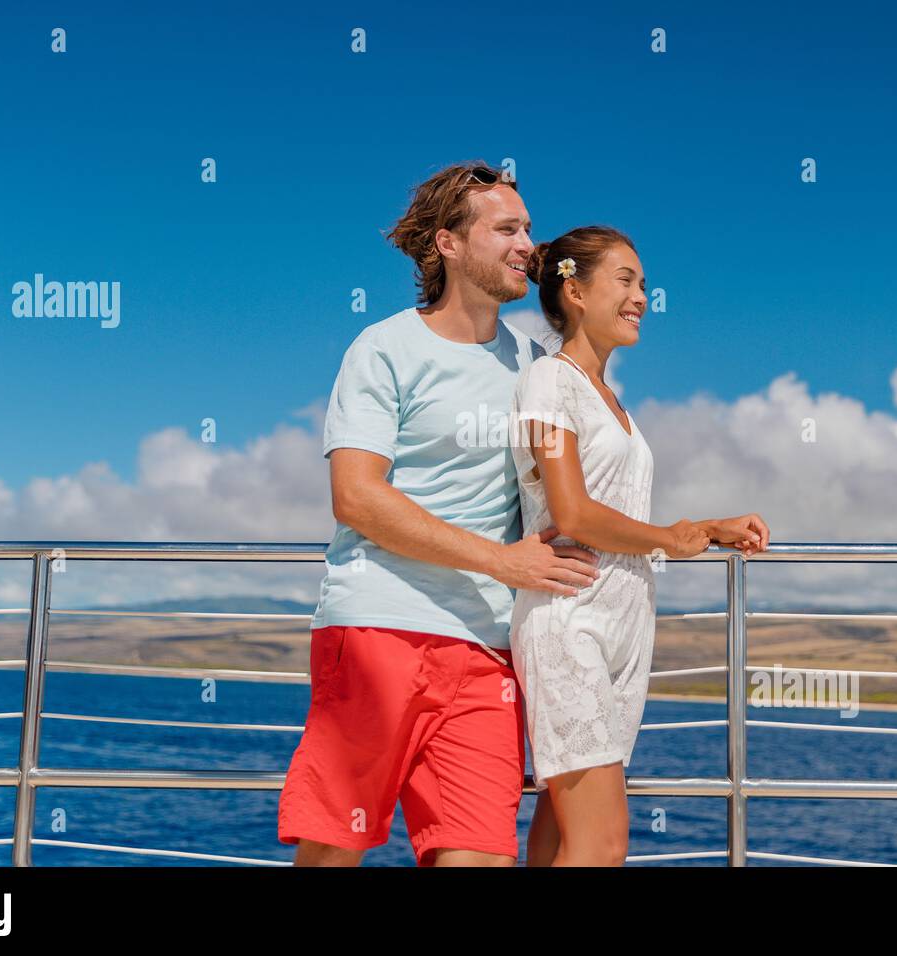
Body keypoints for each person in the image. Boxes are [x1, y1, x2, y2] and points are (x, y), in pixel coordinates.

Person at [276, 162, 601, 867]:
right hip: (377, 629)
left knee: (478, 857)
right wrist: (501, 561)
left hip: (488, 651)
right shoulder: (385, 349)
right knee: (335, 848)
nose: (529, 246)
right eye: (508, 229)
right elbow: (357, 496)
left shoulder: (535, 364)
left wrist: (689, 532)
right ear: (448, 243)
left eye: (531, 229)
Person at [508, 226, 771, 866]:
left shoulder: (613, 400)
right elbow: (570, 510)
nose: (641, 297)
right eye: (624, 280)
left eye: (644, 285)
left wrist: (705, 529)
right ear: (573, 290)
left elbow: (615, 506)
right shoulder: (549, 382)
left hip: (623, 628)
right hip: (571, 624)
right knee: (602, 845)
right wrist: (673, 539)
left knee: (562, 838)